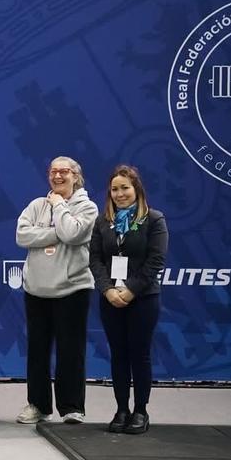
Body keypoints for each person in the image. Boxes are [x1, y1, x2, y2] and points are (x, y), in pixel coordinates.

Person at [15, 157, 98, 425]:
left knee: (70, 351)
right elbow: (22, 236)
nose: (58, 176)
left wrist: (60, 206)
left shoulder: (88, 207)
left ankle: (72, 407)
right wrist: (56, 232)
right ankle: (38, 405)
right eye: (53, 171)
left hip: (72, 289)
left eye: (64, 171)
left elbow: (73, 234)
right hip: (36, 289)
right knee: (37, 350)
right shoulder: (36, 205)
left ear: (76, 176)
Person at [89, 165, 167, 435]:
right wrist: (108, 290)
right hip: (110, 299)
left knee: (139, 355)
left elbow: (155, 261)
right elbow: (96, 260)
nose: (120, 194)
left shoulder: (154, 220)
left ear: (137, 190)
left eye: (125, 188)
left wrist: (131, 290)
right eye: (115, 189)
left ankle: (141, 411)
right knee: (118, 355)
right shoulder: (103, 221)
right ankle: (122, 409)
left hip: (143, 298)